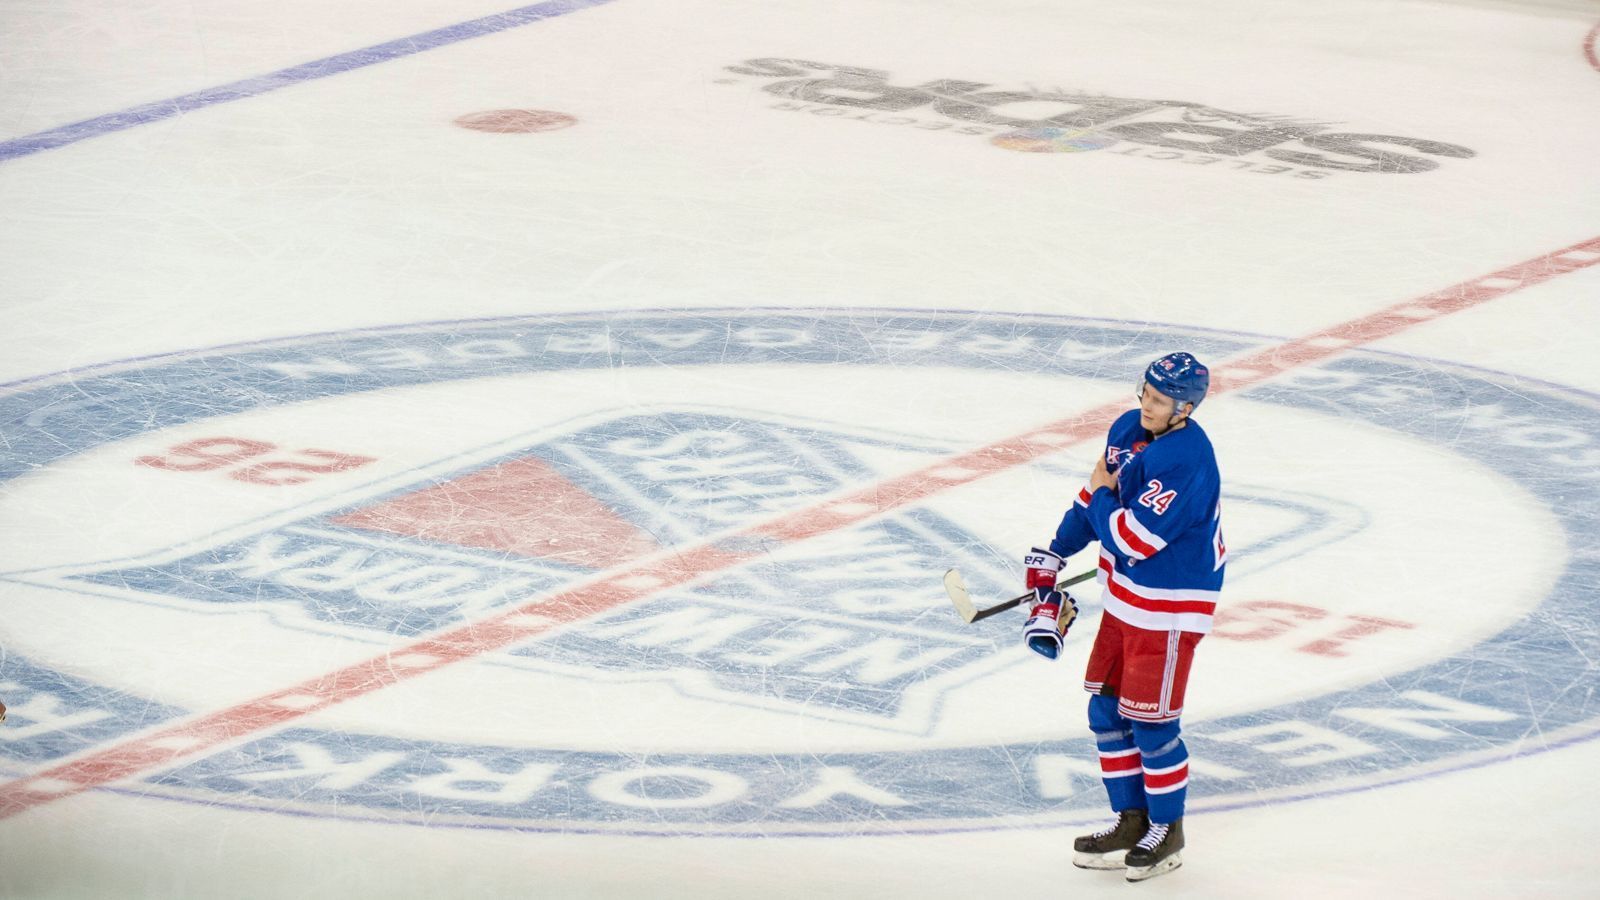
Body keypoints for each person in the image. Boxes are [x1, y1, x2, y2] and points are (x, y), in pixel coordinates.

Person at [1020, 351, 1224, 883]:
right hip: (1125, 598)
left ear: (1185, 407)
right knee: (1106, 712)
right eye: (1145, 393)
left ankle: (1168, 829)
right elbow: (1094, 497)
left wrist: (1104, 498)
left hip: (1169, 607)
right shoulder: (1128, 428)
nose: (1146, 405)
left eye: (1159, 400)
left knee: (1152, 723)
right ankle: (1131, 820)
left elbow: (1134, 537)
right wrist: (1056, 551)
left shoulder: (1189, 459)